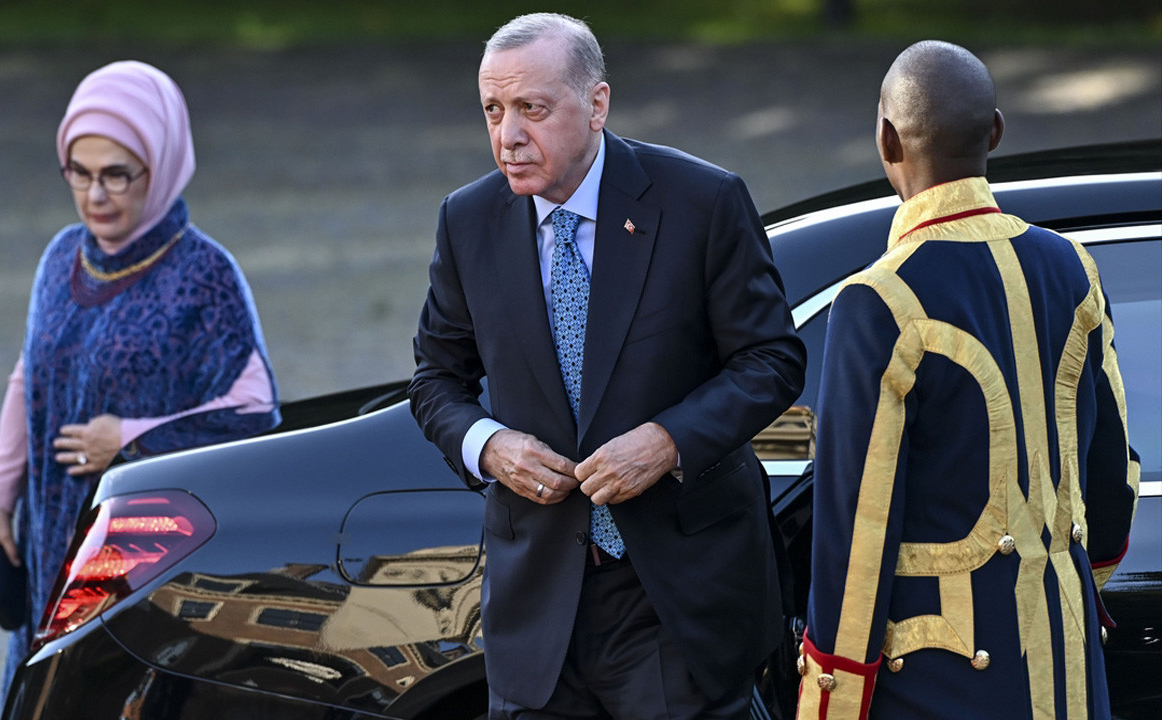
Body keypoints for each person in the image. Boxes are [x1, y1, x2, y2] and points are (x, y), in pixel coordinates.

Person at [409, 13, 806, 719]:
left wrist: (667, 441)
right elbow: (436, 380)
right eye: (493, 110)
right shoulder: (467, 220)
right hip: (537, 605)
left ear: (597, 105)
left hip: (674, 600)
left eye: (532, 109)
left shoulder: (701, 201)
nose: (508, 136)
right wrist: (490, 446)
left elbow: (771, 358)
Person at [796, 41, 1138, 720]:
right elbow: (1111, 476)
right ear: (996, 132)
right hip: (1071, 675)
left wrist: (829, 701)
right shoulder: (1073, 268)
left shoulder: (879, 299)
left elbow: (857, 536)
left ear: (886, 140)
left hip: (938, 684)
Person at [0, 60, 279, 699]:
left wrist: (131, 438)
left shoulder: (205, 274)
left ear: (159, 166)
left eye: (116, 174)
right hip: (52, 541)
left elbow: (255, 410)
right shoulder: (61, 257)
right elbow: (28, 377)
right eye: (78, 173)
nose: (95, 196)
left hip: (146, 558)